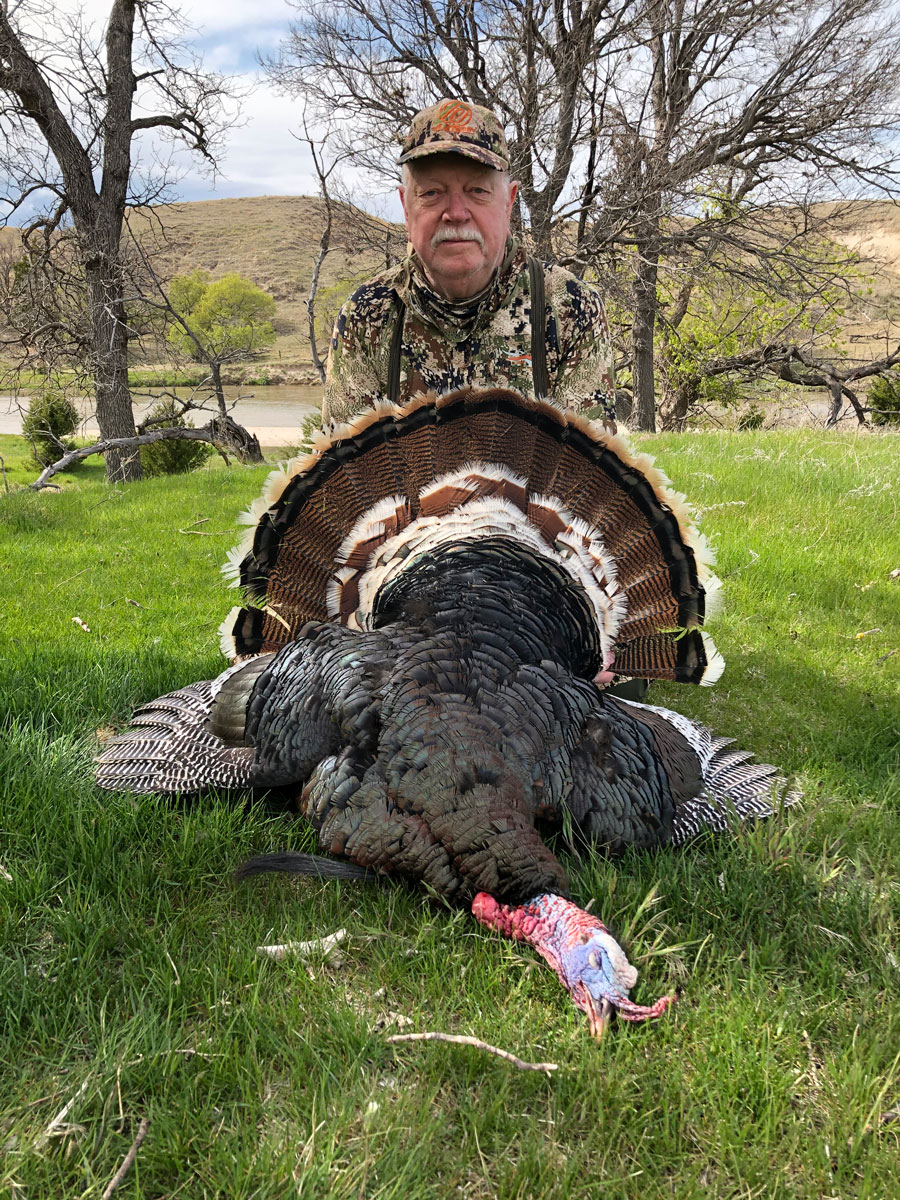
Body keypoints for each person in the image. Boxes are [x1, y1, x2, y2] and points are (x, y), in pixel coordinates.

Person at [322, 98, 617, 431]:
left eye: (477, 190)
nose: (456, 213)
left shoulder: (571, 307)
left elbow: (582, 478)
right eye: (432, 193)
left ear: (509, 203)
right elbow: (349, 475)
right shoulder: (367, 314)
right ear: (406, 207)